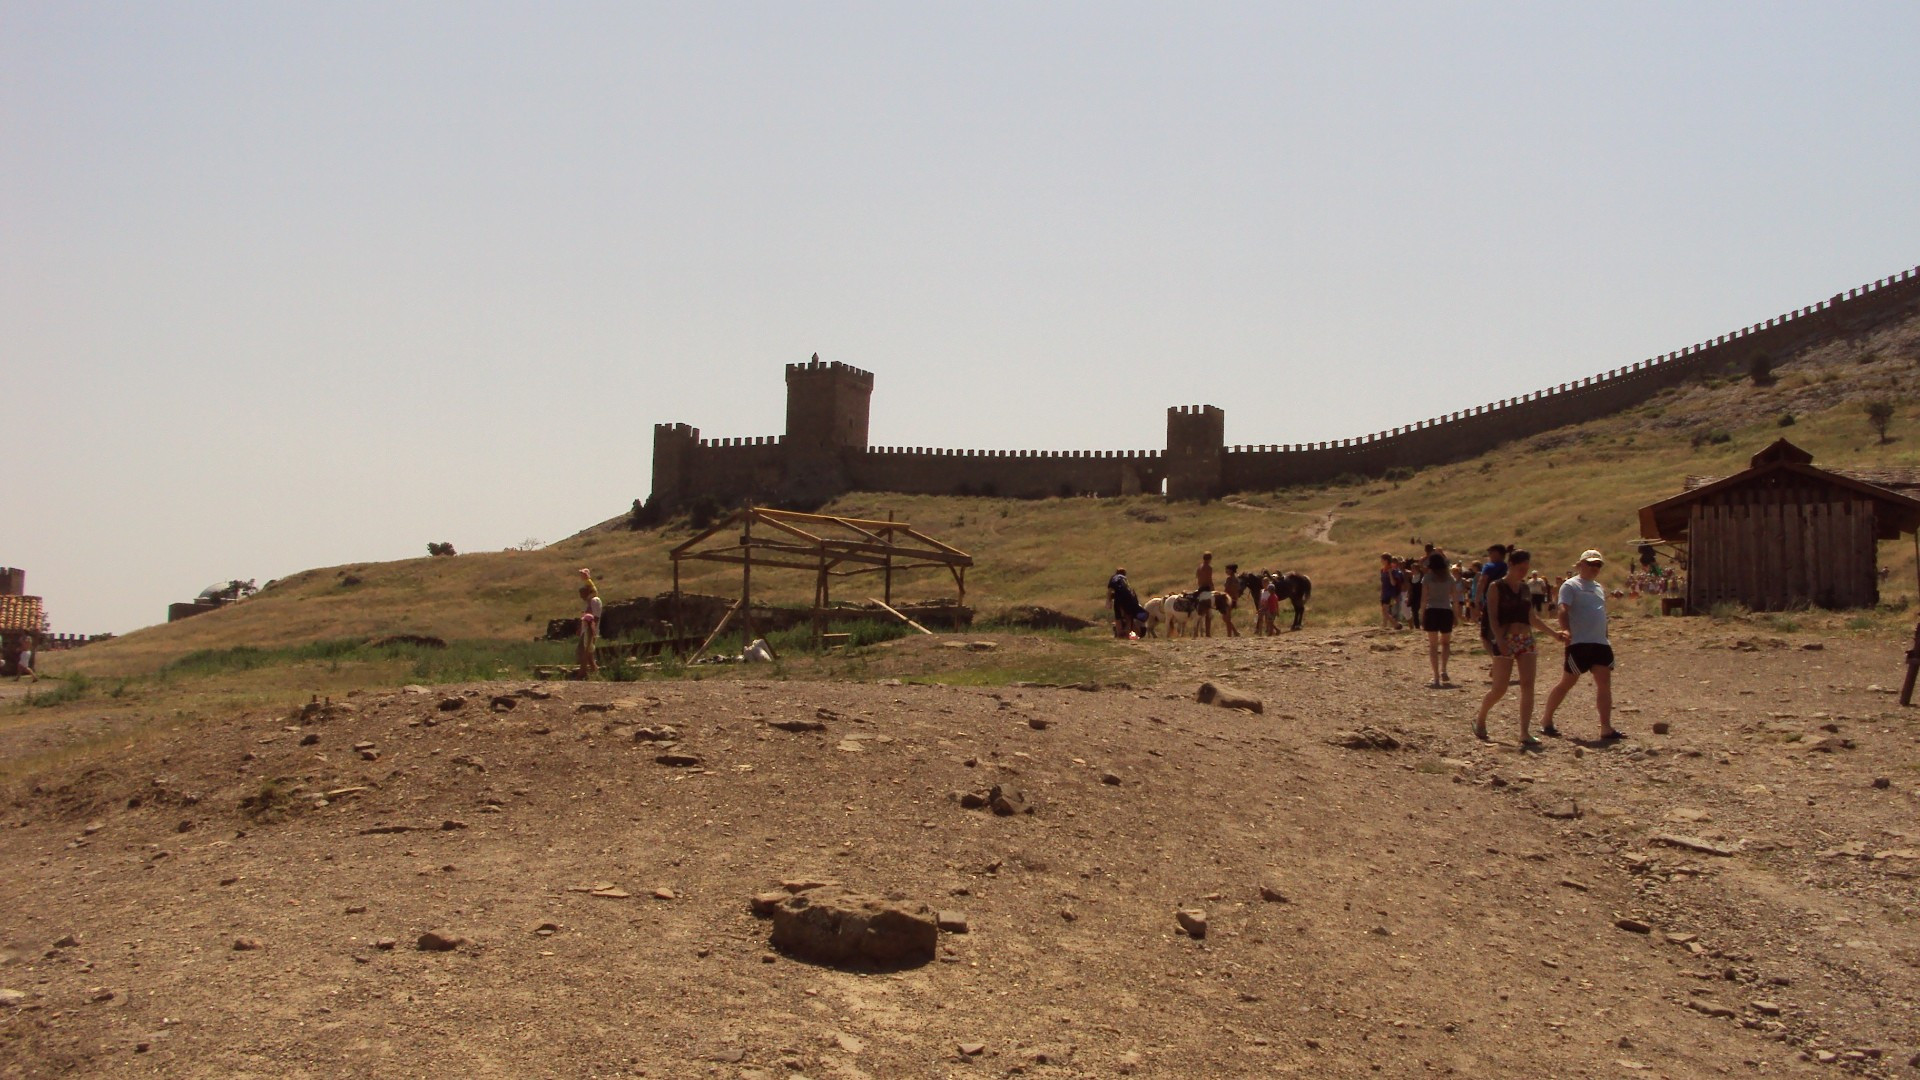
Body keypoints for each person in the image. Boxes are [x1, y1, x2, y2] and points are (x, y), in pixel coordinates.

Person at [1473, 549, 1569, 748]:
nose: (1523, 572)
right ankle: (1481, 718)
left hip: (1526, 639)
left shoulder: (1525, 588)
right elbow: (1492, 616)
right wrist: (1499, 640)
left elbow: (1532, 618)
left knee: (1528, 685)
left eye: (1526, 568)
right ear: (1511, 566)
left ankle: (1525, 732)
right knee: (1500, 688)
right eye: (1520, 568)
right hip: (1505, 639)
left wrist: (1554, 634)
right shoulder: (1496, 587)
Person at [1540, 550, 1623, 742]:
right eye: (1590, 564)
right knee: (1567, 683)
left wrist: (1606, 636)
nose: (1594, 568)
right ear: (1580, 565)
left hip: (1600, 642)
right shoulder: (1570, 586)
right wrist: (1565, 630)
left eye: (1598, 565)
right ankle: (1546, 720)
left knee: (1604, 685)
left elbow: (1600, 613)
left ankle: (1606, 727)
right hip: (1579, 642)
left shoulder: (1598, 587)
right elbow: (1563, 609)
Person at [1421, 552, 1459, 688]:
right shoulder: (1450, 578)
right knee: (1446, 643)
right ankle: (1444, 669)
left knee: (1433, 645)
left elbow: (1424, 598)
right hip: (1446, 610)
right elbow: (1454, 599)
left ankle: (1436, 676)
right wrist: (1456, 615)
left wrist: (1422, 614)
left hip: (1432, 610)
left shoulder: (1427, 578)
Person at [576, 569, 603, 677]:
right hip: (585, 629)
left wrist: (592, 631)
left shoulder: (594, 601)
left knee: (584, 651)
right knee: (588, 653)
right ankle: (595, 671)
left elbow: (595, 617)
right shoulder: (587, 603)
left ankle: (582, 673)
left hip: (590, 630)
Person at [1108, 568, 1142, 639]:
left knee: (1118, 618)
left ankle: (1120, 634)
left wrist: (1108, 601)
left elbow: (1110, 589)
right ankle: (1127, 635)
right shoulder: (1126, 581)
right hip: (1131, 599)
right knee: (1129, 618)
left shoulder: (1115, 577)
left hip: (1120, 599)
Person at [1218, 563, 1243, 637]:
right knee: (1226, 618)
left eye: (1227, 569)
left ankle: (1230, 634)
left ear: (1231, 571)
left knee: (1226, 618)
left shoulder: (1229, 579)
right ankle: (1235, 632)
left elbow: (1227, 589)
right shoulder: (1236, 579)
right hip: (1234, 599)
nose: (1226, 571)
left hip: (1228, 599)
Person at [1379, 554, 1401, 630]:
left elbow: (1393, 583)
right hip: (1384, 593)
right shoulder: (1382, 570)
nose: (1381, 561)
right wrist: (1381, 593)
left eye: (1382, 559)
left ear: (1386, 560)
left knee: (1385, 611)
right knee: (1384, 611)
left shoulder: (1393, 570)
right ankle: (1384, 626)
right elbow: (1383, 582)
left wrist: (1390, 573)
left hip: (1390, 593)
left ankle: (1396, 624)